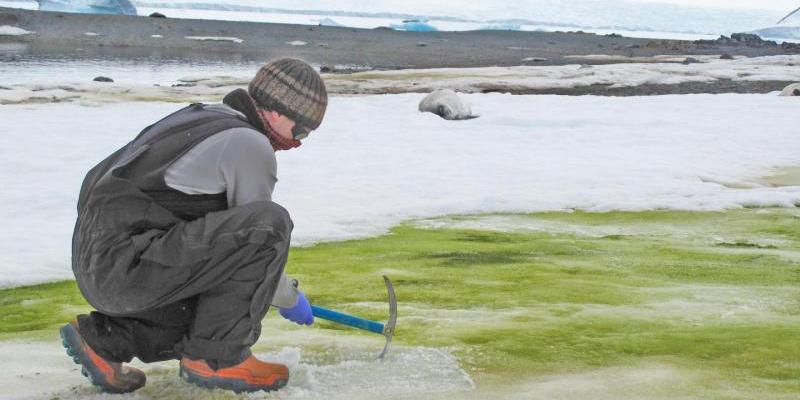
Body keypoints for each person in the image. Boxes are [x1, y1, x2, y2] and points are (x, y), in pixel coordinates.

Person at [60, 58, 327, 394]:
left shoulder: (204, 117)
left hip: (100, 262)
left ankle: (105, 342)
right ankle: (219, 358)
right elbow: (258, 239)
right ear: (277, 111)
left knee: (210, 308)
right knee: (272, 224)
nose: (298, 142)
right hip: (128, 265)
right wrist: (289, 296)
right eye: (301, 130)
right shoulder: (249, 143)